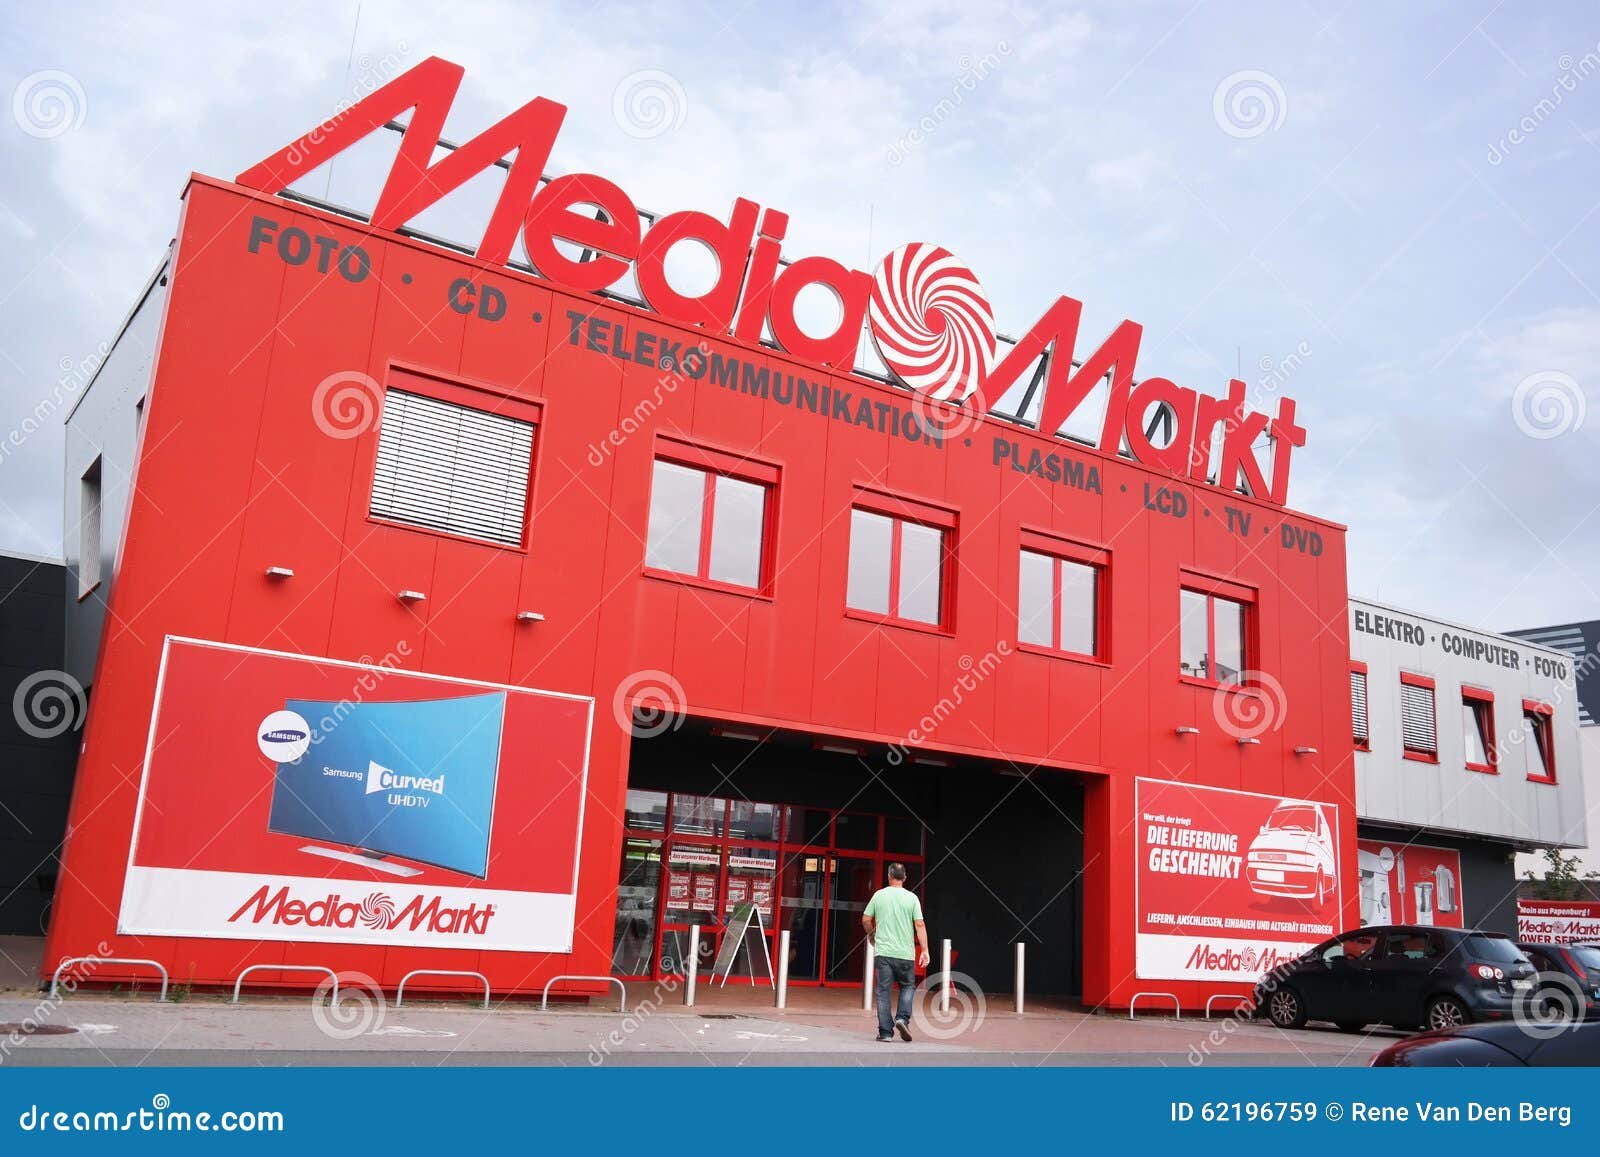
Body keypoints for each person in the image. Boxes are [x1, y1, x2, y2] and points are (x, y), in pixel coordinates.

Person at [861, 862, 929, 1042]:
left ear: (889, 876)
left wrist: (871, 934)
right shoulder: (912, 898)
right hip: (905, 953)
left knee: (883, 991)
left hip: (883, 953)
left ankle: (885, 1033)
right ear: (904, 878)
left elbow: (866, 919)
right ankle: (902, 1018)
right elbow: (919, 925)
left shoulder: (879, 895)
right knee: (907, 986)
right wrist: (925, 950)